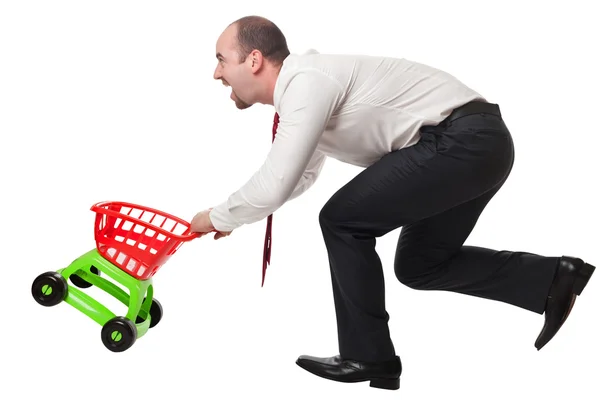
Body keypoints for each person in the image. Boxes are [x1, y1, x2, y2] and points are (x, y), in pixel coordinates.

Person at [189, 15, 596, 390]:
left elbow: (275, 184)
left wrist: (216, 216)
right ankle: (551, 279)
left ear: (254, 59)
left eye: (222, 60)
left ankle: (369, 357)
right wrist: (235, 216)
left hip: (462, 141)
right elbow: (299, 176)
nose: (216, 72)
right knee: (419, 265)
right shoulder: (306, 89)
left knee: (341, 219)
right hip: (472, 146)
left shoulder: (307, 83)